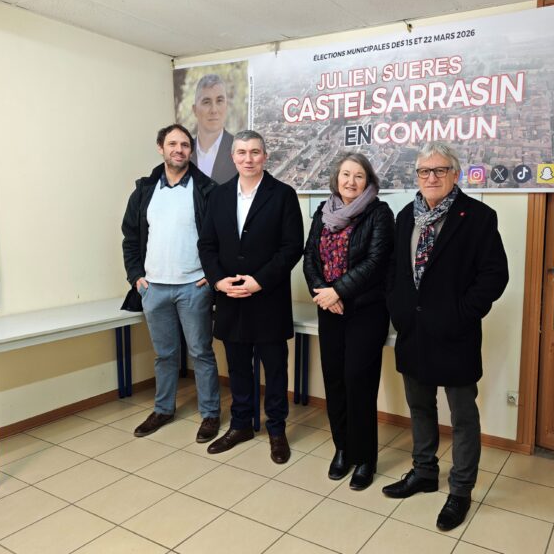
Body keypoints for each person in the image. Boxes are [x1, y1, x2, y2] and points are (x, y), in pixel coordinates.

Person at [382, 142, 508, 531]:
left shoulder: (479, 217)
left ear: (455, 174)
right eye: (424, 171)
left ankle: (460, 490)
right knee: (419, 408)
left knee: (463, 416)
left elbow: (494, 276)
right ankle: (423, 472)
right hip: (413, 332)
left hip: (455, 334)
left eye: (440, 170)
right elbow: (394, 272)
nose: (431, 178)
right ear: (416, 176)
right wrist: (399, 310)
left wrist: (461, 314)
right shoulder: (406, 216)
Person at [198, 129, 304, 463]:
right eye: (242, 152)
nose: (248, 158)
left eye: (255, 152)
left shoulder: (283, 194)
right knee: (239, 366)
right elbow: (207, 245)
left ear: (265, 156)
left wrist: (259, 281)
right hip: (230, 297)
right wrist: (217, 281)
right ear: (233, 157)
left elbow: (291, 248)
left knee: (274, 368)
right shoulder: (218, 196)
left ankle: (276, 429)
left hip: (268, 297)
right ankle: (241, 424)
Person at [121, 124, 221, 443]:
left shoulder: (206, 189)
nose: (179, 149)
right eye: (172, 144)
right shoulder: (145, 190)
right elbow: (131, 238)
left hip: (194, 286)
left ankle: (210, 414)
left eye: (185, 145)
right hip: (154, 289)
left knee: (201, 352)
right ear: (160, 148)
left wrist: (212, 275)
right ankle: (163, 409)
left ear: (191, 151)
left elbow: (222, 237)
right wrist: (137, 277)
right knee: (165, 355)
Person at [303, 153, 394, 490]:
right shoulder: (323, 213)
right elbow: (309, 256)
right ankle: (342, 448)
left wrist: (337, 291)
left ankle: (365, 457)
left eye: (358, 176)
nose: (350, 181)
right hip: (329, 310)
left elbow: (375, 262)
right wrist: (324, 292)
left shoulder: (379, 214)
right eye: (345, 174)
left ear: (368, 181)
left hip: (366, 310)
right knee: (335, 381)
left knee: (359, 382)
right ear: (336, 178)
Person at [190, 74, 235, 184]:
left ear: (226, 106)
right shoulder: (184, 153)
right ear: (195, 110)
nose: (214, 110)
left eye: (219, 101)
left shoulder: (240, 151)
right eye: (206, 102)